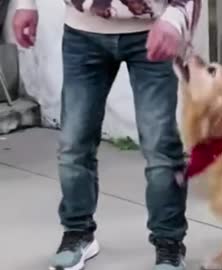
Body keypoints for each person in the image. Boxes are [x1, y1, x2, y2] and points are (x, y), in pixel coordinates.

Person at [12, 0, 201, 269]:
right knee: (74, 143)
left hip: (153, 27)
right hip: (82, 31)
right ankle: (78, 233)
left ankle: (169, 244)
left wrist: (175, 17)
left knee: (161, 146)